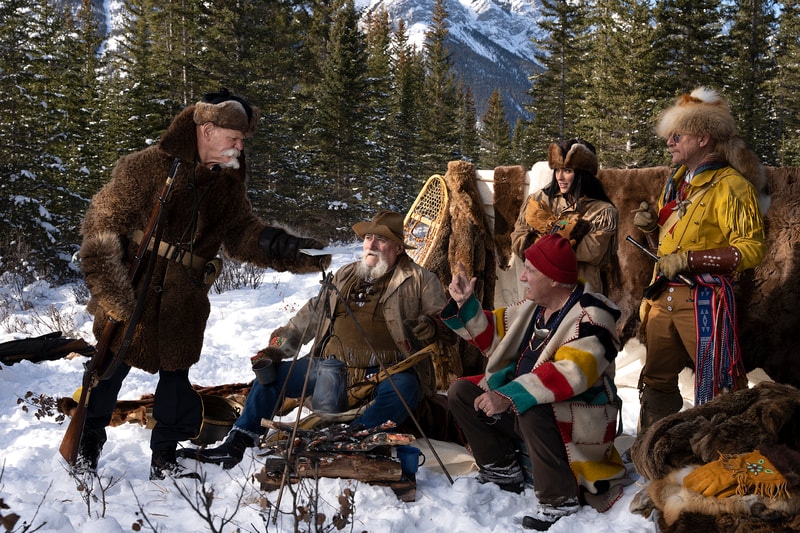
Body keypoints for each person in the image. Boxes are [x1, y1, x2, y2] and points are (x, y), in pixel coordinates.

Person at [77, 88, 329, 479]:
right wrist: (111, 290)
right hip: (134, 288)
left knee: (176, 380)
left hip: (183, 298)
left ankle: (164, 456)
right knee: (108, 371)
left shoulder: (227, 183)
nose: (240, 146)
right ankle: (85, 447)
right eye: (234, 137)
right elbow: (100, 222)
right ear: (207, 129)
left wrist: (279, 245)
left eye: (243, 139)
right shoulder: (146, 167)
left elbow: (241, 233)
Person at [180, 210, 450, 469]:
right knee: (272, 377)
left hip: (387, 371)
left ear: (399, 248)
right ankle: (238, 442)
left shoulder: (420, 280)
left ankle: (351, 441)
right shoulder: (345, 275)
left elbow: (446, 327)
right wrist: (272, 350)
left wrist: (430, 327)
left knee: (405, 388)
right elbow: (302, 322)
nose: (372, 244)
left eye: (381, 239)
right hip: (330, 369)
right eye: (368, 237)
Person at [443, 234, 628, 531]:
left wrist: (511, 396)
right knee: (461, 392)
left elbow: (571, 373)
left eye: (531, 270)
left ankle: (559, 499)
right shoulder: (534, 308)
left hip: (576, 419)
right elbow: (494, 336)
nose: (524, 276)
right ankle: (501, 468)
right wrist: (466, 303)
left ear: (554, 279)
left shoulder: (593, 317)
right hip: (531, 413)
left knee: (532, 403)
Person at [633, 87, 767, 431]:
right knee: (656, 381)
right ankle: (657, 450)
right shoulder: (675, 186)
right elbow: (667, 248)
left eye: (678, 135)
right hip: (664, 296)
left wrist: (691, 261)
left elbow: (751, 249)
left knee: (721, 385)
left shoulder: (731, 186)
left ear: (704, 137)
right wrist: (651, 229)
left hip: (705, 300)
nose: (669, 142)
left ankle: (728, 453)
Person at [510, 138, 618, 294]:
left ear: (583, 173)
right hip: (539, 293)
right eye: (557, 170)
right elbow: (517, 239)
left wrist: (549, 230)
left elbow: (592, 252)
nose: (559, 177)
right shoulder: (537, 200)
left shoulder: (603, 211)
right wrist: (565, 237)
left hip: (580, 294)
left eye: (567, 170)